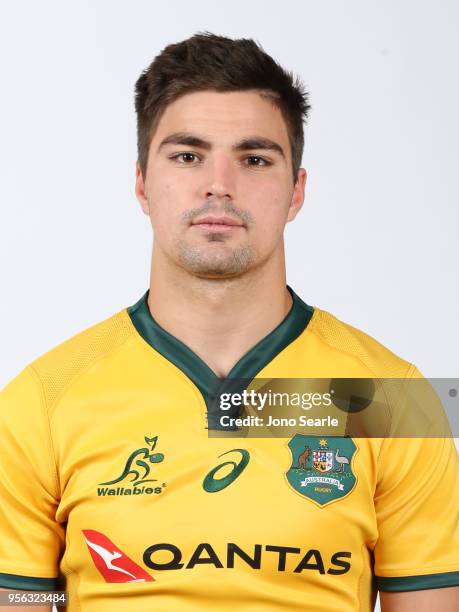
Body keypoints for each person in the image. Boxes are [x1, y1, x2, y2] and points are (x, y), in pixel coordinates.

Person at [0, 32, 457, 612]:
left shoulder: (393, 401)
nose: (219, 183)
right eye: (188, 155)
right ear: (142, 183)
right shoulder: (39, 403)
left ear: (296, 192)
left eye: (254, 158)